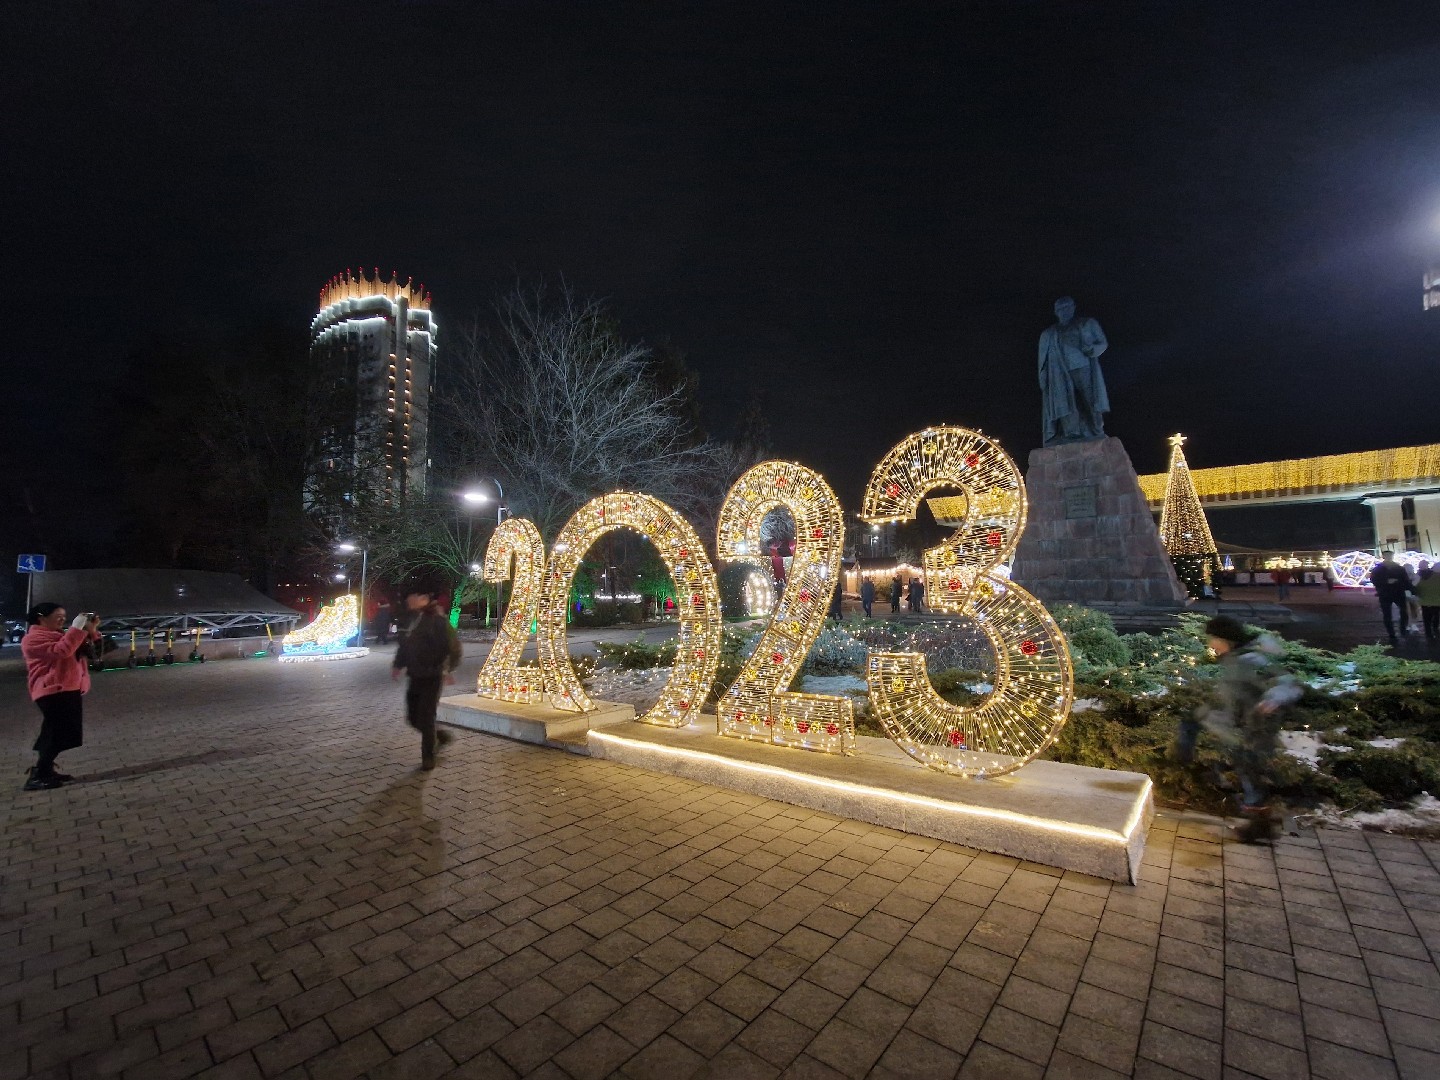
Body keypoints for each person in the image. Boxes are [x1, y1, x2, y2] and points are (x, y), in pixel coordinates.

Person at [1175, 616, 1301, 843]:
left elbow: (1288, 683)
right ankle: (1193, 762)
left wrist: (1272, 700)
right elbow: (1233, 695)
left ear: (1227, 639)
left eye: (1214, 638)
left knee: (1248, 767)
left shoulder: (1252, 660)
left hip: (1258, 725)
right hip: (1238, 721)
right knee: (1240, 762)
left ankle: (1259, 823)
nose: (1211, 644)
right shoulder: (1233, 659)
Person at [20, 603, 101, 791]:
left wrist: (91, 630)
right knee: (58, 733)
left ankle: (45, 770)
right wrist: (76, 628)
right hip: (52, 690)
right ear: (41, 618)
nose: (63, 619)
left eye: (64, 616)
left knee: (57, 733)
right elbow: (62, 651)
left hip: (69, 689)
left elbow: (95, 652)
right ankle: (38, 775)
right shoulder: (31, 639)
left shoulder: (62, 635)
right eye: (58, 616)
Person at [391, 587, 463, 770]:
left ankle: (428, 757)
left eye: (412, 597)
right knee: (413, 717)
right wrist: (398, 665)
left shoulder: (438, 621)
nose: (408, 601)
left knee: (427, 716)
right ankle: (440, 736)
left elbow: (452, 647)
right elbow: (405, 645)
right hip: (415, 675)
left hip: (433, 675)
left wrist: (448, 669)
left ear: (423, 598)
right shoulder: (411, 619)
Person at [1038, 296, 1110, 446]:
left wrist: (1092, 350)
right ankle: (1072, 433)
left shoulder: (1087, 324)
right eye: (1060, 309)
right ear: (1056, 312)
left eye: (1067, 307)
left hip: (1084, 368)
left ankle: (1096, 429)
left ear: (1073, 308)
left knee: (1090, 399)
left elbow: (1102, 343)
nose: (1064, 311)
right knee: (1065, 403)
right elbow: (1043, 360)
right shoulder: (1050, 333)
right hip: (1059, 372)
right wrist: (1043, 377)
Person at [1368, 551, 1414, 643]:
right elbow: (1373, 580)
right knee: (1387, 614)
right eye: (1387, 555)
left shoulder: (1398, 568)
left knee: (1404, 612)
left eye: (1390, 555)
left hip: (1398, 592)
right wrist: (1386, 581)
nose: (1389, 557)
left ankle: (1402, 629)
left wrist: (1411, 590)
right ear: (1384, 557)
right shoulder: (1378, 569)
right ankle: (1392, 633)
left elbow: (1405, 580)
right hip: (1385, 593)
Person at [1417, 561, 1440, 642]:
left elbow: (1416, 588)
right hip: (1436, 601)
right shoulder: (1437, 576)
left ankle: (1429, 633)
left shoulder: (1418, 576)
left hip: (1425, 601)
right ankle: (1435, 629)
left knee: (1427, 618)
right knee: (1436, 616)